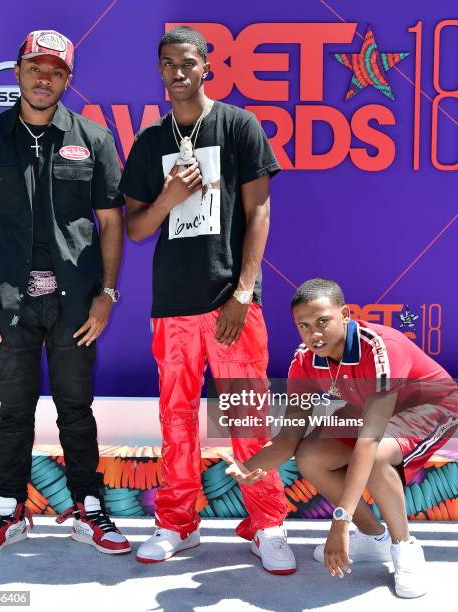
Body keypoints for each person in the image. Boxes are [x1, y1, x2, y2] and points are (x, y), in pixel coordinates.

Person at [119, 25, 294, 574]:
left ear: (207, 67)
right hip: (172, 306)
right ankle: (177, 524)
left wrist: (244, 289)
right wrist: (171, 195)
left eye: (188, 63)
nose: (178, 72)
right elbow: (136, 229)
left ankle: (267, 526)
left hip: (231, 302)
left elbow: (260, 212)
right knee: (176, 419)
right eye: (168, 63)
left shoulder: (238, 125)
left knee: (248, 418)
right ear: (160, 70)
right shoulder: (151, 142)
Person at [0, 30, 129, 556]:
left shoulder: (95, 138)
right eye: (35, 66)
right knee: (15, 410)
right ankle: (7, 510)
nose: (43, 77)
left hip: (75, 303)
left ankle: (88, 506)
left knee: (76, 408)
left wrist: (106, 294)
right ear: (17, 71)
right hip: (7, 301)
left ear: (68, 80)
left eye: (55, 70)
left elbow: (111, 222)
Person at [221, 278, 458, 597]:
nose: (313, 334)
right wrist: (248, 466)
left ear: (345, 314)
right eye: (303, 326)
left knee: (373, 456)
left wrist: (339, 522)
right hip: (369, 411)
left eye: (322, 321)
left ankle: (405, 548)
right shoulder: (303, 361)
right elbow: (288, 440)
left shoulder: (378, 347)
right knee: (309, 455)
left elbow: (369, 441)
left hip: (431, 407)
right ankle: (374, 539)